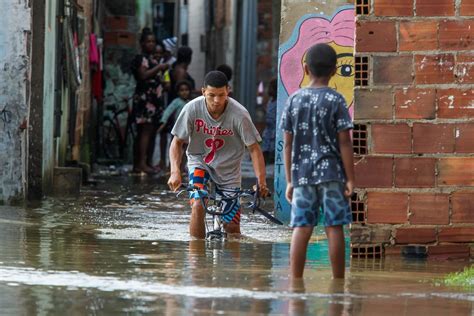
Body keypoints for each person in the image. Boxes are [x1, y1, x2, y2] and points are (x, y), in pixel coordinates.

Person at [281, 43, 355, 279]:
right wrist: (350, 178)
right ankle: (338, 283)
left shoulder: (294, 100)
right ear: (334, 70)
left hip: (302, 176)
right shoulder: (336, 100)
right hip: (332, 174)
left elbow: (289, 143)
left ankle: (295, 282)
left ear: (305, 68)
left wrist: (290, 180)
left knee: (301, 227)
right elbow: (345, 142)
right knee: (334, 227)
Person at [167, 71, 269, 239]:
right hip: (199, 161)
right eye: (211, 95)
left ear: (228, 91)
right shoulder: (191, 109)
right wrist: (175, 172)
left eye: (221, 95)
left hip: (229, 169)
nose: (217, 101)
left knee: (233, 228)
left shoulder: (240, 114)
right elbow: (177, 142)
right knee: (198, 204)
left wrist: (262, 182)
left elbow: (254, 149)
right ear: (203, 92)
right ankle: (196, 257)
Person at [130, 28, 169, 174]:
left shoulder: (152, 59)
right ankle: (140, 163)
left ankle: (145, 162)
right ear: (142, 43)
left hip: (154, 100)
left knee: (150, 131)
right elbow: (143, 75)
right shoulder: (141, 59)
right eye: (148, 41)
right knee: (144, 131)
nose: (151, 44)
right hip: (145, 101)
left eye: (153, 41)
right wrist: (159, 67)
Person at [156, 80, 192, 170]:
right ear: (178, 92)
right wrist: (163, 122)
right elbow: (168, 112)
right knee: (175, 149)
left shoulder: (191, 103)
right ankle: (171, 167)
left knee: (186, 150)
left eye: (186, 90)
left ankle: (182, 167)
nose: (184, 92)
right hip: (177, 130)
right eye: (182, 90)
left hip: (188, 131)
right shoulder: (176, 102)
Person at [261, 77, 277, 164]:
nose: (269, 90)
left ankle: (271, 157)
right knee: (266, 143)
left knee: (272, 145)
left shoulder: (278, 101)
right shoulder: (271, 100)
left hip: (274, 128)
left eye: (271, 88)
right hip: (268, 128)